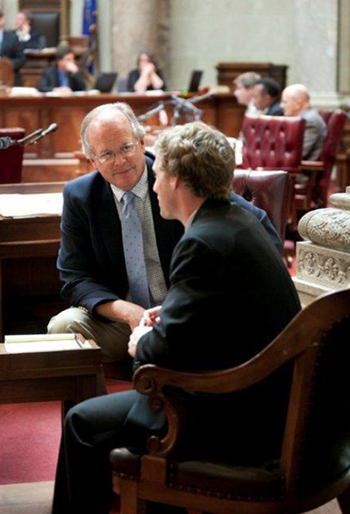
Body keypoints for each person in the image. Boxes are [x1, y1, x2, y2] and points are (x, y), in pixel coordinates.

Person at [50, 120, 301, 514]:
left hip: (236, 413)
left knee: (82, 423)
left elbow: (161, 354)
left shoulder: (201, 241)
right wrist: (163, 316)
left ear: (178, 180)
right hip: (264, 394)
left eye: (159, 173)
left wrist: (142, 339)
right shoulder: (232, 222)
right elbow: (214, 308)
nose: (151, 183)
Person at [47, 102, 284, 367]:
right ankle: (103, 400)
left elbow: (251, 220)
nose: (120, 161)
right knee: (63, 327)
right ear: (92, 160)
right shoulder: (80, 196)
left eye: (126, 148)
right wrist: (127, 312)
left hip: (186, 317)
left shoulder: (174, 177)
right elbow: (74, 277)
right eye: (106, 154)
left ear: (139, 142)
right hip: (125, 319)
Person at [280, 83, 327, 161]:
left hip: (301, 171)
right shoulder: (304, 118)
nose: (281, 106)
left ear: (298, 103)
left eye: (285, 102)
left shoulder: (309, 121)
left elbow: (297, 154)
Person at [0, 9, 26, 86]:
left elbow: (21, 59)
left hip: (10, 79)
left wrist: (6, 64)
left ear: (2, 20)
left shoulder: (13, 38)